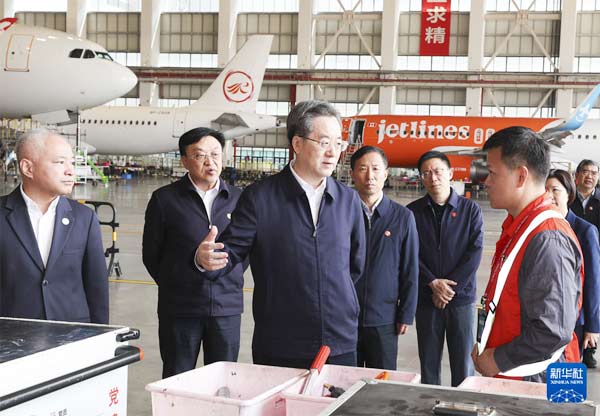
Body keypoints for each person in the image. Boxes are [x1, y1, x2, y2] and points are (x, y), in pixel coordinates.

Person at [197, 100, 366, 368]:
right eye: (324, 142)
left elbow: (355, 265)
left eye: (338, 143)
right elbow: (231, 253)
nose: (333, 152)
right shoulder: (260, 197)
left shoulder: (348, 200)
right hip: (281, 340)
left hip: (339, 340)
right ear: (297, 143)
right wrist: (205, 259)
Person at [472, 126, 582, 382]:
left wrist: (497, 359)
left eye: (492, 173)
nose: (486, 182)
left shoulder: (548, 238)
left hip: (542, 379)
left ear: (521, 176)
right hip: (523, 373)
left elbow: (553, 331)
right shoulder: (522, 227)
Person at [143, 127, 246, 378]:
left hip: (226, 307)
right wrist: (194, 263)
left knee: (223, 381)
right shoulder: (165, 200)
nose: (210, 162)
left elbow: (244, 252)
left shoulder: (240, 200)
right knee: (177, 377)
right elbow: (152, 257)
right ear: (185, 161)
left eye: (215, 154)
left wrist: (222, 272)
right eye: (200, 155)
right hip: (180, 308)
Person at [0, 128, 108, 324]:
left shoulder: (84, 218)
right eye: (60, 162)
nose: (70, 171)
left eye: (72, 162)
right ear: (28, 168)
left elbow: (97, 288)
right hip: (11, 333)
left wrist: (100, 335)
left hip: (71, 333)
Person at [407, 151, 483, 387]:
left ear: (450, 174)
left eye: (438, 171)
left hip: (460, 300)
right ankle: (431, 404)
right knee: (429, 364)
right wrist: (432, 283)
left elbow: (474, 252)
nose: (433, 178)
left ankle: (463, 405)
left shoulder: (470, 210)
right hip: (427, 299)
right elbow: (410, 254)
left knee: (464, 365)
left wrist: (449, 289)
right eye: (426, 173)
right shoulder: (412, 212)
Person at [350, 146, 419, 370]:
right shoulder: (340, 212)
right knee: (343, 379)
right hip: (345, 317)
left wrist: (406, 314)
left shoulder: (403, 217)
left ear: (386, 173)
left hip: (384, 319)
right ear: (352, 174)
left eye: (376, 169)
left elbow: (410, 269)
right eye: (363, 169)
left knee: (381, 380)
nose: (370, 176)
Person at [546, 169, 600, 368]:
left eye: (555, 190)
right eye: (545, 190)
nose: (549, 195)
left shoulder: (585, 231)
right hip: (544, 320)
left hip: (574, 322)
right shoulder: (541, 226)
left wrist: (592, 327)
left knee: (566, 378)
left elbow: (593, 281)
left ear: (568, 194)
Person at [570, 159, 600, 368]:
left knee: (593, 300)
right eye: (586, 172)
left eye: (594, 173)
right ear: (577, 175)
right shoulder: (569, 200)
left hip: (595, 259)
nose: (590, 176)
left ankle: (590, 348)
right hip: (572, 260)